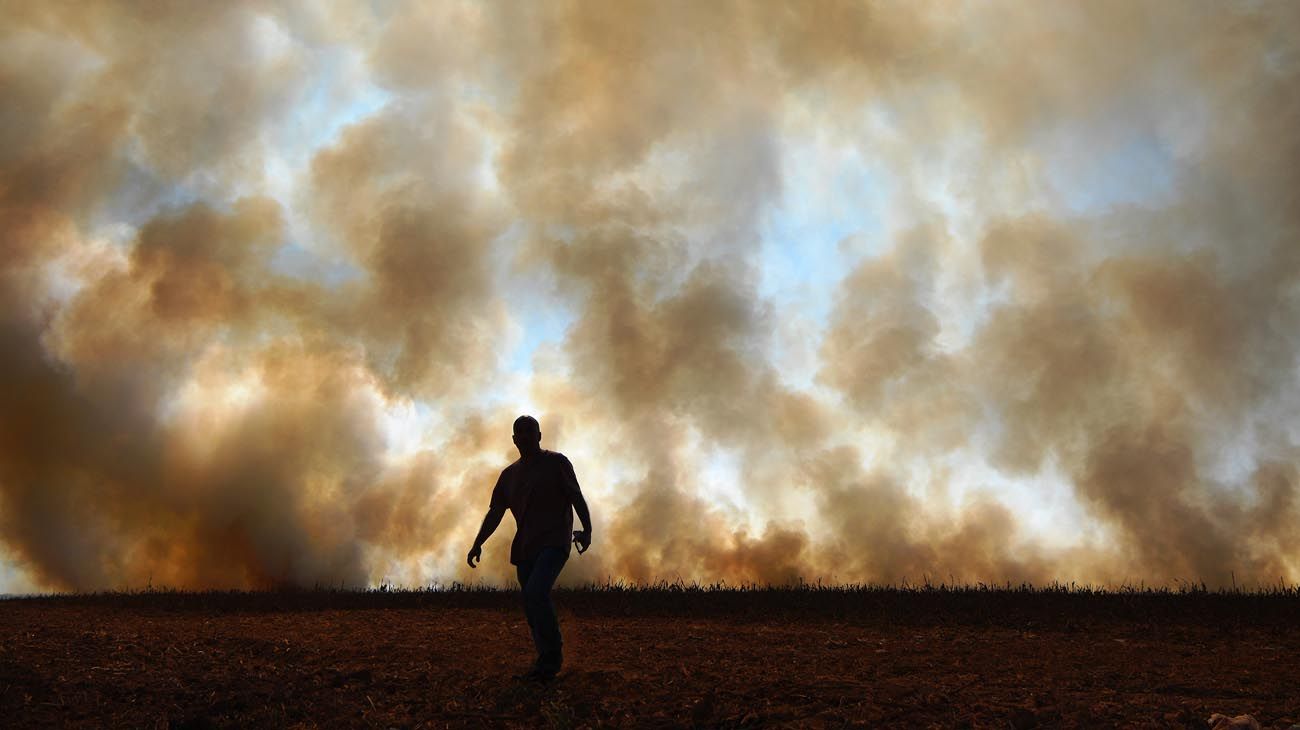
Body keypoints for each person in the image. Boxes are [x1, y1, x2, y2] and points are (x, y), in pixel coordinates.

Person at [466, 415, 593, 682]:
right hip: (525, 548)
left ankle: (551, 660)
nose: (524, 436)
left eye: (529, 431)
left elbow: (575, 495)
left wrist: (587, 528)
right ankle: (545, 658)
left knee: (536, 592)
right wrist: (478, 542)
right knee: (531, 603)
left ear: (539, 435)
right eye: (519, 432)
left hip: (555, 541)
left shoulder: (556, 462)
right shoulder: (509, 475)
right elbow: (495, 512)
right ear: (514, 439)